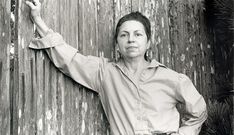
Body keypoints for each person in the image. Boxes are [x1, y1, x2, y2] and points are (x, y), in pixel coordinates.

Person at [26, 0, 207, 135]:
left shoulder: (172, 78)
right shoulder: (104, 72)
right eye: (124, 35)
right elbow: (70, 60)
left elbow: (199, 111)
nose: (131, 40)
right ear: (117, 43)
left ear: (148, 42)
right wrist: (38, 20)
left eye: (138, 34)